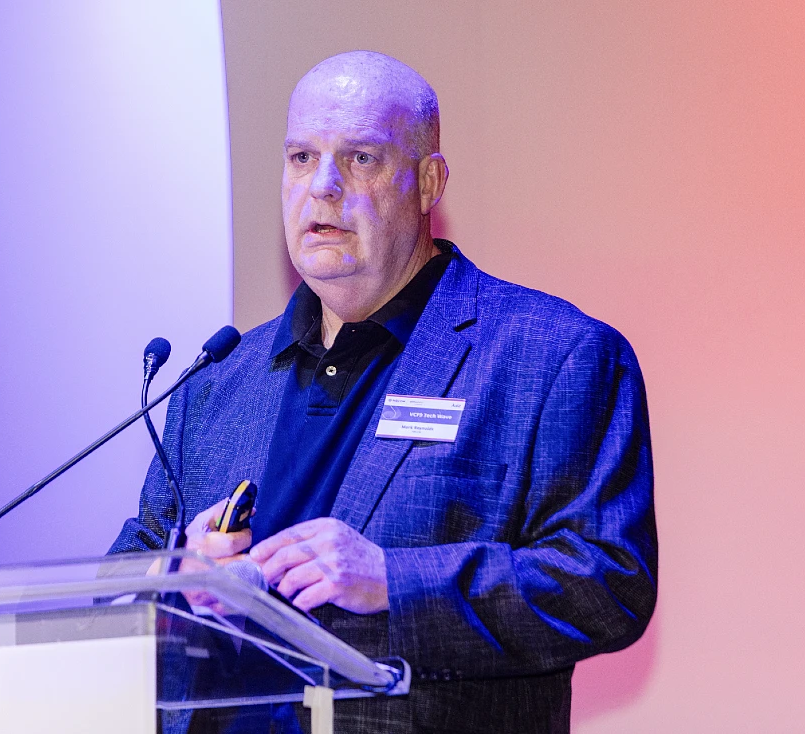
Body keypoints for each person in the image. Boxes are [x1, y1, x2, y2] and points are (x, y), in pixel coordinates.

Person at [111, 50, 656, 733]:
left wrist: (392, 583)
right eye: (301, 158)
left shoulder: (552, 356)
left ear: (428, 182)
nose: (323, 187)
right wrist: (178, 574)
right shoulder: (219, 380)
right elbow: (118, 584)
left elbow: (605, 585)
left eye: (361, 158)